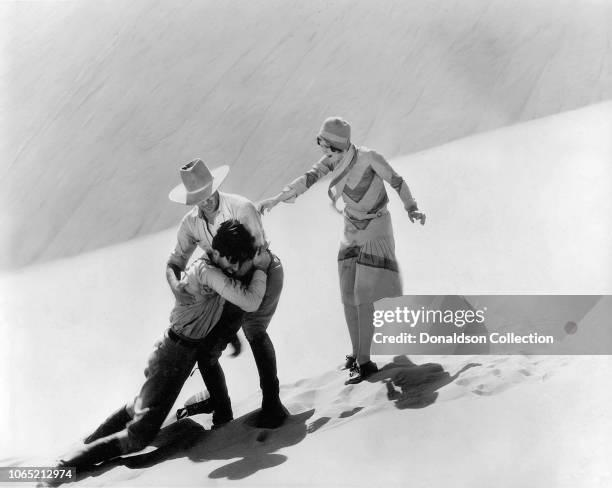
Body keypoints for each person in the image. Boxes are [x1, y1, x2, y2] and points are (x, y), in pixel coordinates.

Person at [55, 220, 271, 470]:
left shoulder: (214, 266)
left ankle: (88, 444)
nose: (234, 267)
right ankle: (69, 464)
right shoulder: (208, 272)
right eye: (231, 260)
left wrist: (230, 336)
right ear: (219, 252)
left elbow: (210, 307)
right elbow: (250, 302)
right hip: (174, 355)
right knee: (138, 438)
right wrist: (261, 270)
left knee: (140, 406)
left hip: (176, 352)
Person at [258, 117, 426, 384]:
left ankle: (365, 361)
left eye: (326, 145)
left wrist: (411, 206)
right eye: (321, 145)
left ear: (336, 145)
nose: (323, 151)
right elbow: (307, 180)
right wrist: (277, 199)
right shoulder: (330, 162)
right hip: (350, 230)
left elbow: (396, 180)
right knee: (348, 293)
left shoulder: (369, 157)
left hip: (376, 227)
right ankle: (357, 352)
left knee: (364, 294)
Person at [167, 158, 288, 428]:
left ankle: (273, 403)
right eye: (199, 198)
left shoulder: (242, 208)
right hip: (228, 289)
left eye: (209, 193)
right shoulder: (190, 224)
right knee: (206, 353)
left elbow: (259, 258)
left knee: (255, 331)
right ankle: (223, 416)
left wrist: (233, 317)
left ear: (214, 185)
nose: (206, 201)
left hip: (262, 274)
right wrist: (176, 287)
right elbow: (174, 263)